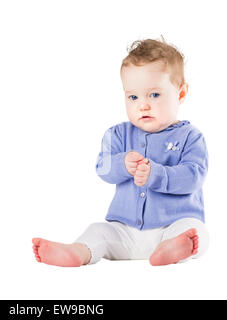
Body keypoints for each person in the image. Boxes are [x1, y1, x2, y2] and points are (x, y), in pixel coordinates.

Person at [32, 37, 209, 266]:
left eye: (154, 95)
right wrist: (122, 164)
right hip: (125, 231)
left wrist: (157, 174)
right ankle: (79, 252)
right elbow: (102, 168)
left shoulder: (190, 137)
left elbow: (194, 176)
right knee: (98, 231)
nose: (142, 105)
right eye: (133, 97)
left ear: (181, 93)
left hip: (173, 225)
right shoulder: (117, 135)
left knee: (197, 233)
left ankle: (174, 248)